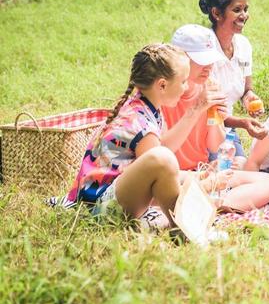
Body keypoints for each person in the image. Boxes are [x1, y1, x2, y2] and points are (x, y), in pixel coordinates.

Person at [67, 44, 190, 226]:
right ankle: (184, 227)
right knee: (163, 158)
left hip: (106, 198)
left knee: (168, 163)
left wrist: (197, 178)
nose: (186, 87)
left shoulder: (145, 107)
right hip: (97, 209)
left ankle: (179, 221)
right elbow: (160, 183)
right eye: (183, 81)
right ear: (162, 85)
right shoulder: (141, 126)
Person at [162, 24, 269, 212]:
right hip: (170, 176)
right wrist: (198, 107)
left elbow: (214, 146)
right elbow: (161, 152)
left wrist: (213, 113)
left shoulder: (211, 86)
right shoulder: (164, 91)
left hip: (201, 172)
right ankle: (199, 206)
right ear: (179, 59)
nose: (209, 67)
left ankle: (206, 207)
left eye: (211, 60)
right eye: (202, 61)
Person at [199, 0, 267, 154]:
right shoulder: (204, 51)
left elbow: (246, 89)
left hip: (226, 128)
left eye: (246, 9)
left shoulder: (243, 45)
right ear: (216, 14)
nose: (244, 15)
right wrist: (242, 123)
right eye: (237, 10)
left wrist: (249, 98)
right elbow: (208, 110)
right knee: (223, 175)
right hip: (204, 130)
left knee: (241, 168)